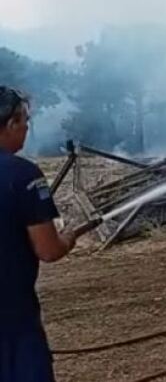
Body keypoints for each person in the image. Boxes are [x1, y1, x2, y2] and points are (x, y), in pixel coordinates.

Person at [0, 86, 78, 382]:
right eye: (24, 122)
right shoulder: (24, 175)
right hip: (12, 322)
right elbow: (48, 250)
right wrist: (68, 237)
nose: (26, 130)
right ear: (11, 124)